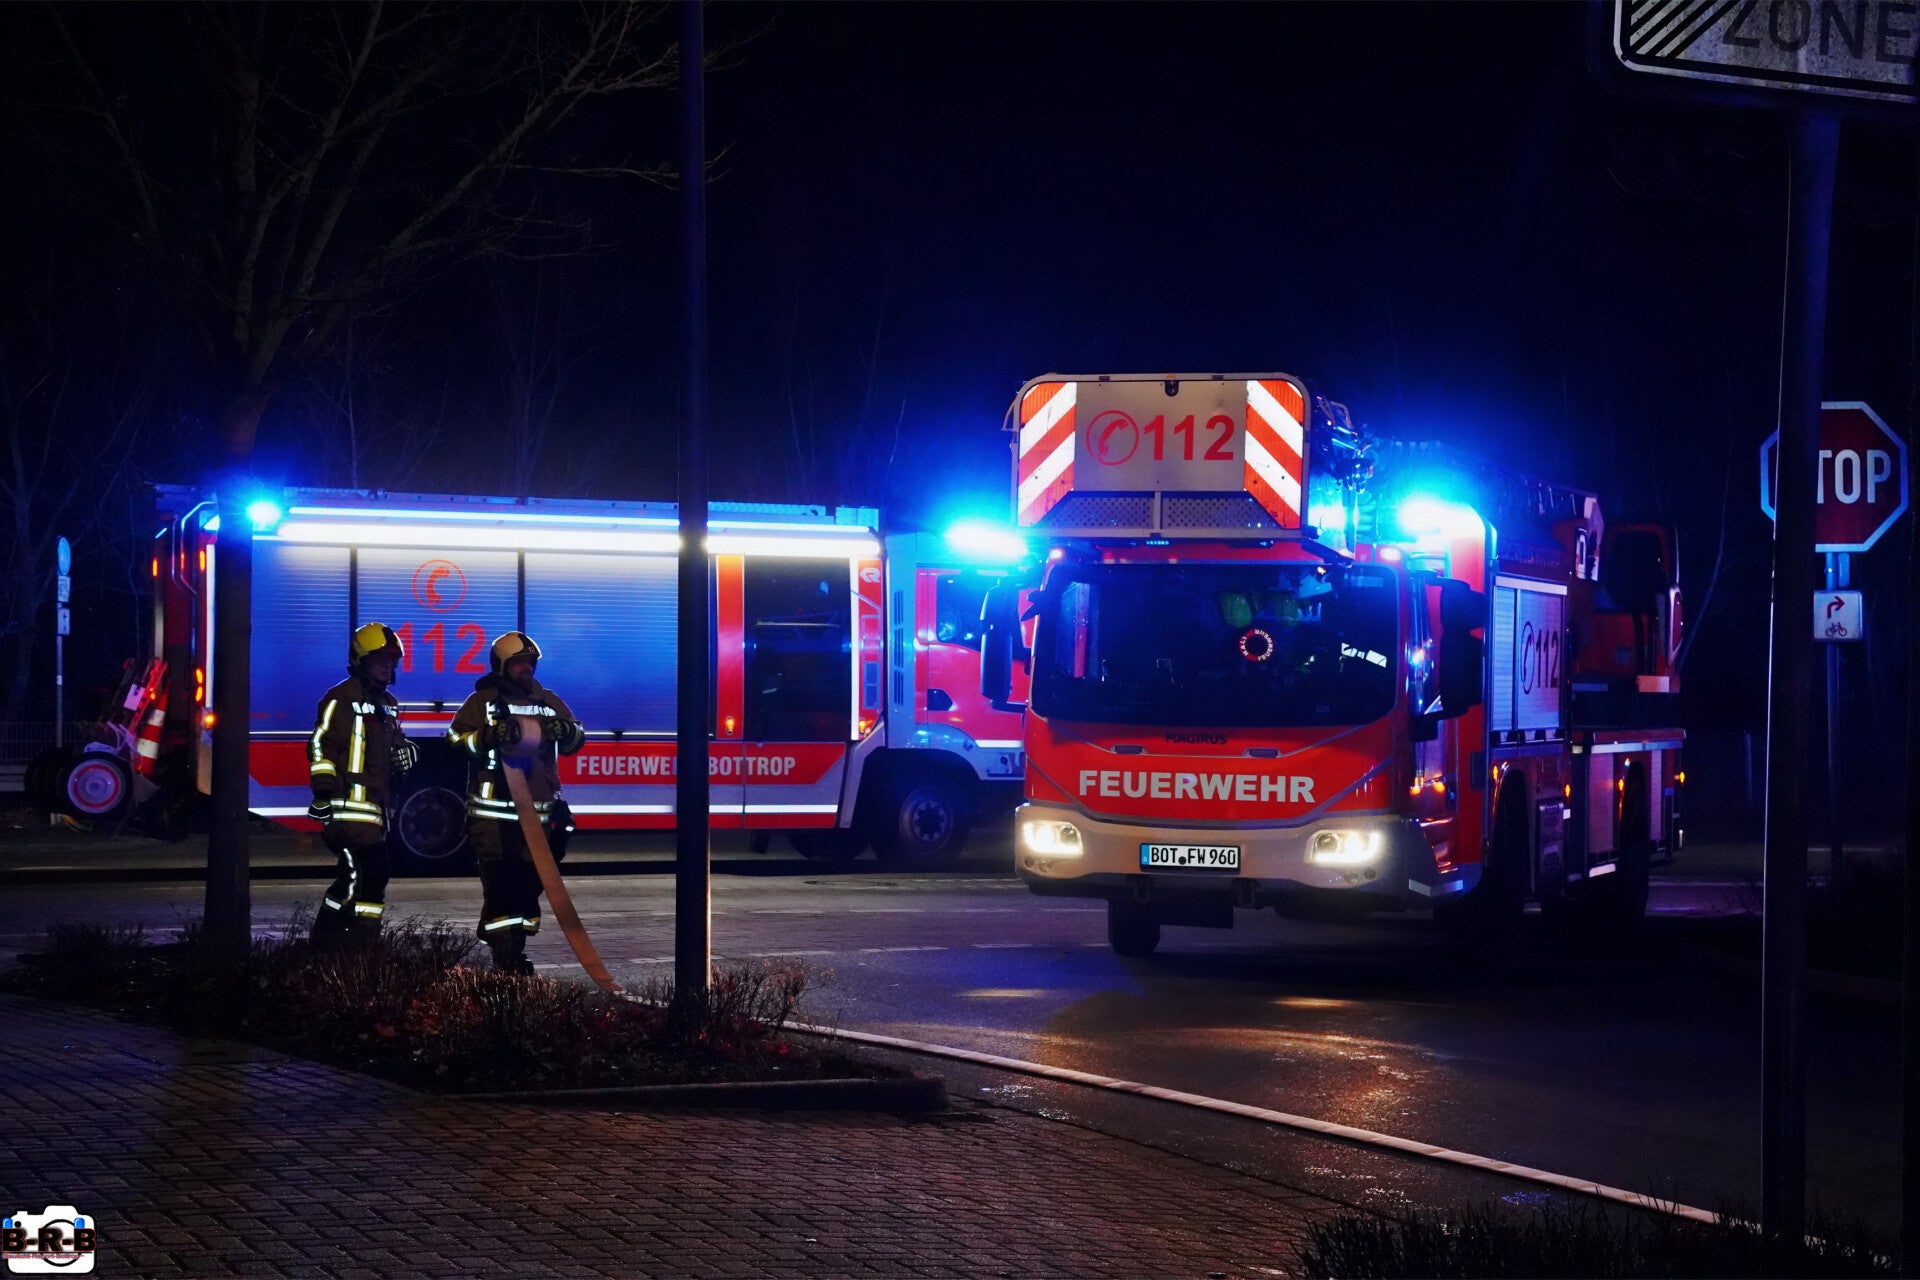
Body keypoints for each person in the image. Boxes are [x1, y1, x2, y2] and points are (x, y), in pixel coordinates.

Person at [448, 631, 585, 974]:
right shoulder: (482, 703)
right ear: (501, 666)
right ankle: (507, 956)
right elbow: (455, 740)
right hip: (493, 814)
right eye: (518, 663)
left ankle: (511, 944)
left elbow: (576, 737)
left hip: (538, 816)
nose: (526, 668)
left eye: (530, 663)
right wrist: (488, 736)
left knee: (528, 885)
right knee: (501, 883)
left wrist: (566, 732)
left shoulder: (547, 701)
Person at [307, 623, 418, 947]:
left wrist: (408, 754)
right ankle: (359, 943)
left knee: (353, 877)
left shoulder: (388, 704)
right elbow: (321, 745)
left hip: (373, 811)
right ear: (361, 660)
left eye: (392, 660)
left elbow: (396, 745)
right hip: (346, 809)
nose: (387, 666)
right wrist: (323, 791)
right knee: (372, 871)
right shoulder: (342, 698)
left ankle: (330, 943)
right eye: (380, 659)